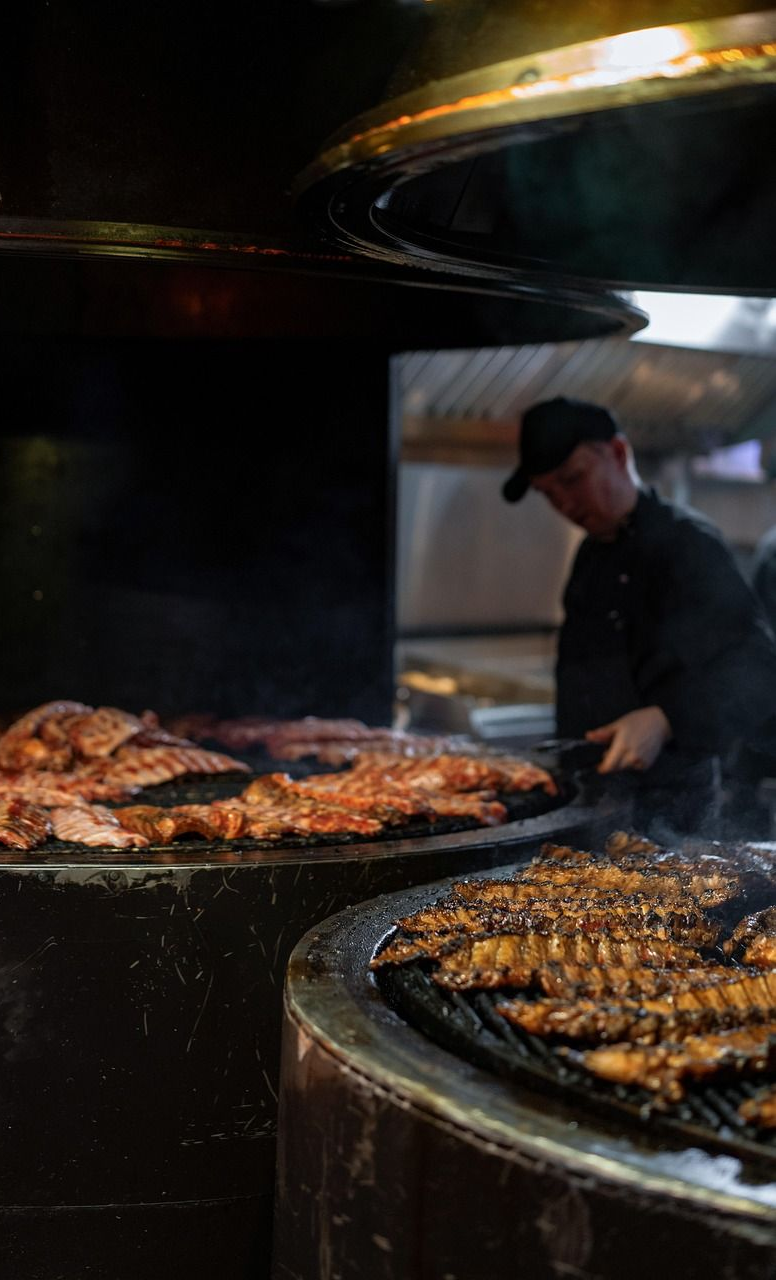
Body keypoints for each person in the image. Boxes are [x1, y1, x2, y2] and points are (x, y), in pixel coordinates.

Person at [501, 396, 776, 832]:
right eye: (549, 493)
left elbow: (758, 671)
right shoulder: (591, 553)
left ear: (618, 453)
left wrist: (665, 719)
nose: (566, 505)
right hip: (590, 804)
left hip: (672, 816)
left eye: (573, 480)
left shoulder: (687, 545)